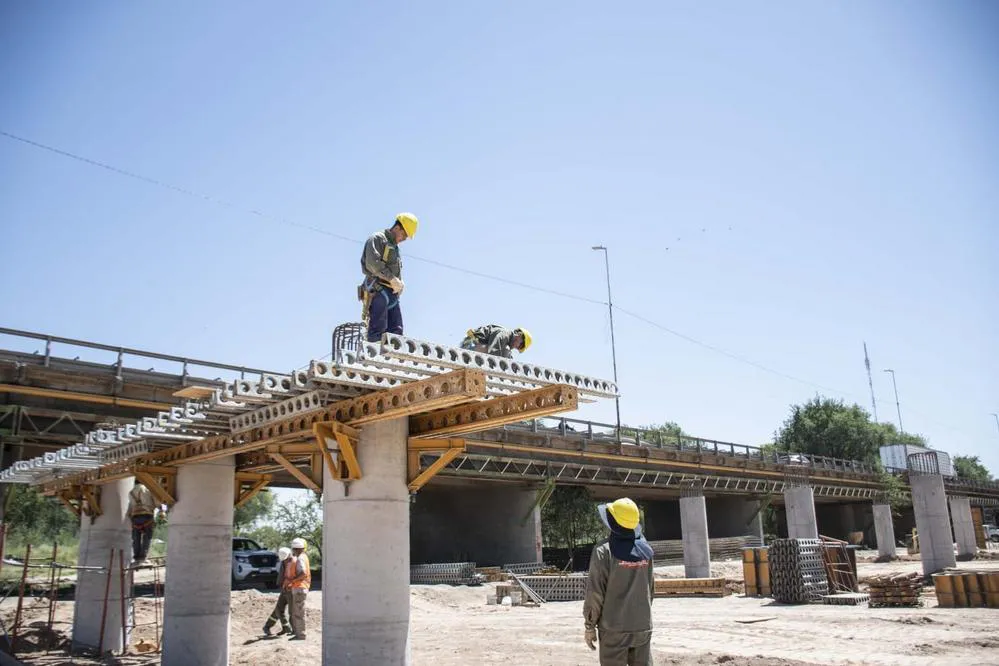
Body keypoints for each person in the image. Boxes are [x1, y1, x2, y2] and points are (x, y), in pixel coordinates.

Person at [582, 497, 655, 666]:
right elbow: (650, 589)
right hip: (642, 626)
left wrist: (589, 626)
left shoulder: (603, 551)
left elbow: (595, 593)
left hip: (613, 629)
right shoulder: (645, 551)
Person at [359, 213, 418, 343]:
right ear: (397, 228)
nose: (404, 239)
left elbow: (394, 270)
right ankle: (374, 352)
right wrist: (391, 279)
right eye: (404, 235)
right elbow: (372, 263)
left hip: (392, 295)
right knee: (377, 333)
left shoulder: (394, 248)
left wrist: (399, 282)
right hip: (378, 290)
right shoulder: (377, 239)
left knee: (397, 333)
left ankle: (393, 354)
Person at [262, 547, 293, 637]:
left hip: (291, 589)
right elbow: (282, 574)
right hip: (285, 588)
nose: (285, 561)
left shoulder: (294, 562)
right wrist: (280, 584)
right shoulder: (284, 562)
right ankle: (269, 626)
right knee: (279, 609)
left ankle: (287, 628)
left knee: (291, 611)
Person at [285, 537, 311, 640]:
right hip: (301, 587)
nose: (293, 551)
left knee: (298, 613)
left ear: (296, 549)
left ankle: (300, 635)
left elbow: (303, 573)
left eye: (293, 549)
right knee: (298, 612)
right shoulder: (304, 556)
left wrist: (292, 581)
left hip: (299, 588)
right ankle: (299, 633)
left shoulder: (300, 558)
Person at [127, 480, 157, 562]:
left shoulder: (131, 492)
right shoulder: (147, 489)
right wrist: (160, 508)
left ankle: (136, 556)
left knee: (136, 538)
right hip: (147, 515)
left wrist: (130, 516)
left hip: (135, 516)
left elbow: (130, 506)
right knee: (147, 537)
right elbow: (156, 501)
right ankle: (143, 557)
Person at [460, 325, 532, 358]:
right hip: (469, 345)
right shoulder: (504, 335)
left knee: (507, 354)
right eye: (520, 345)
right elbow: (493, 352)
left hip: (472, 347)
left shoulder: (506, 340)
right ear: (520, 335)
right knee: (504, 352)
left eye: (519, 348)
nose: (517, 347)